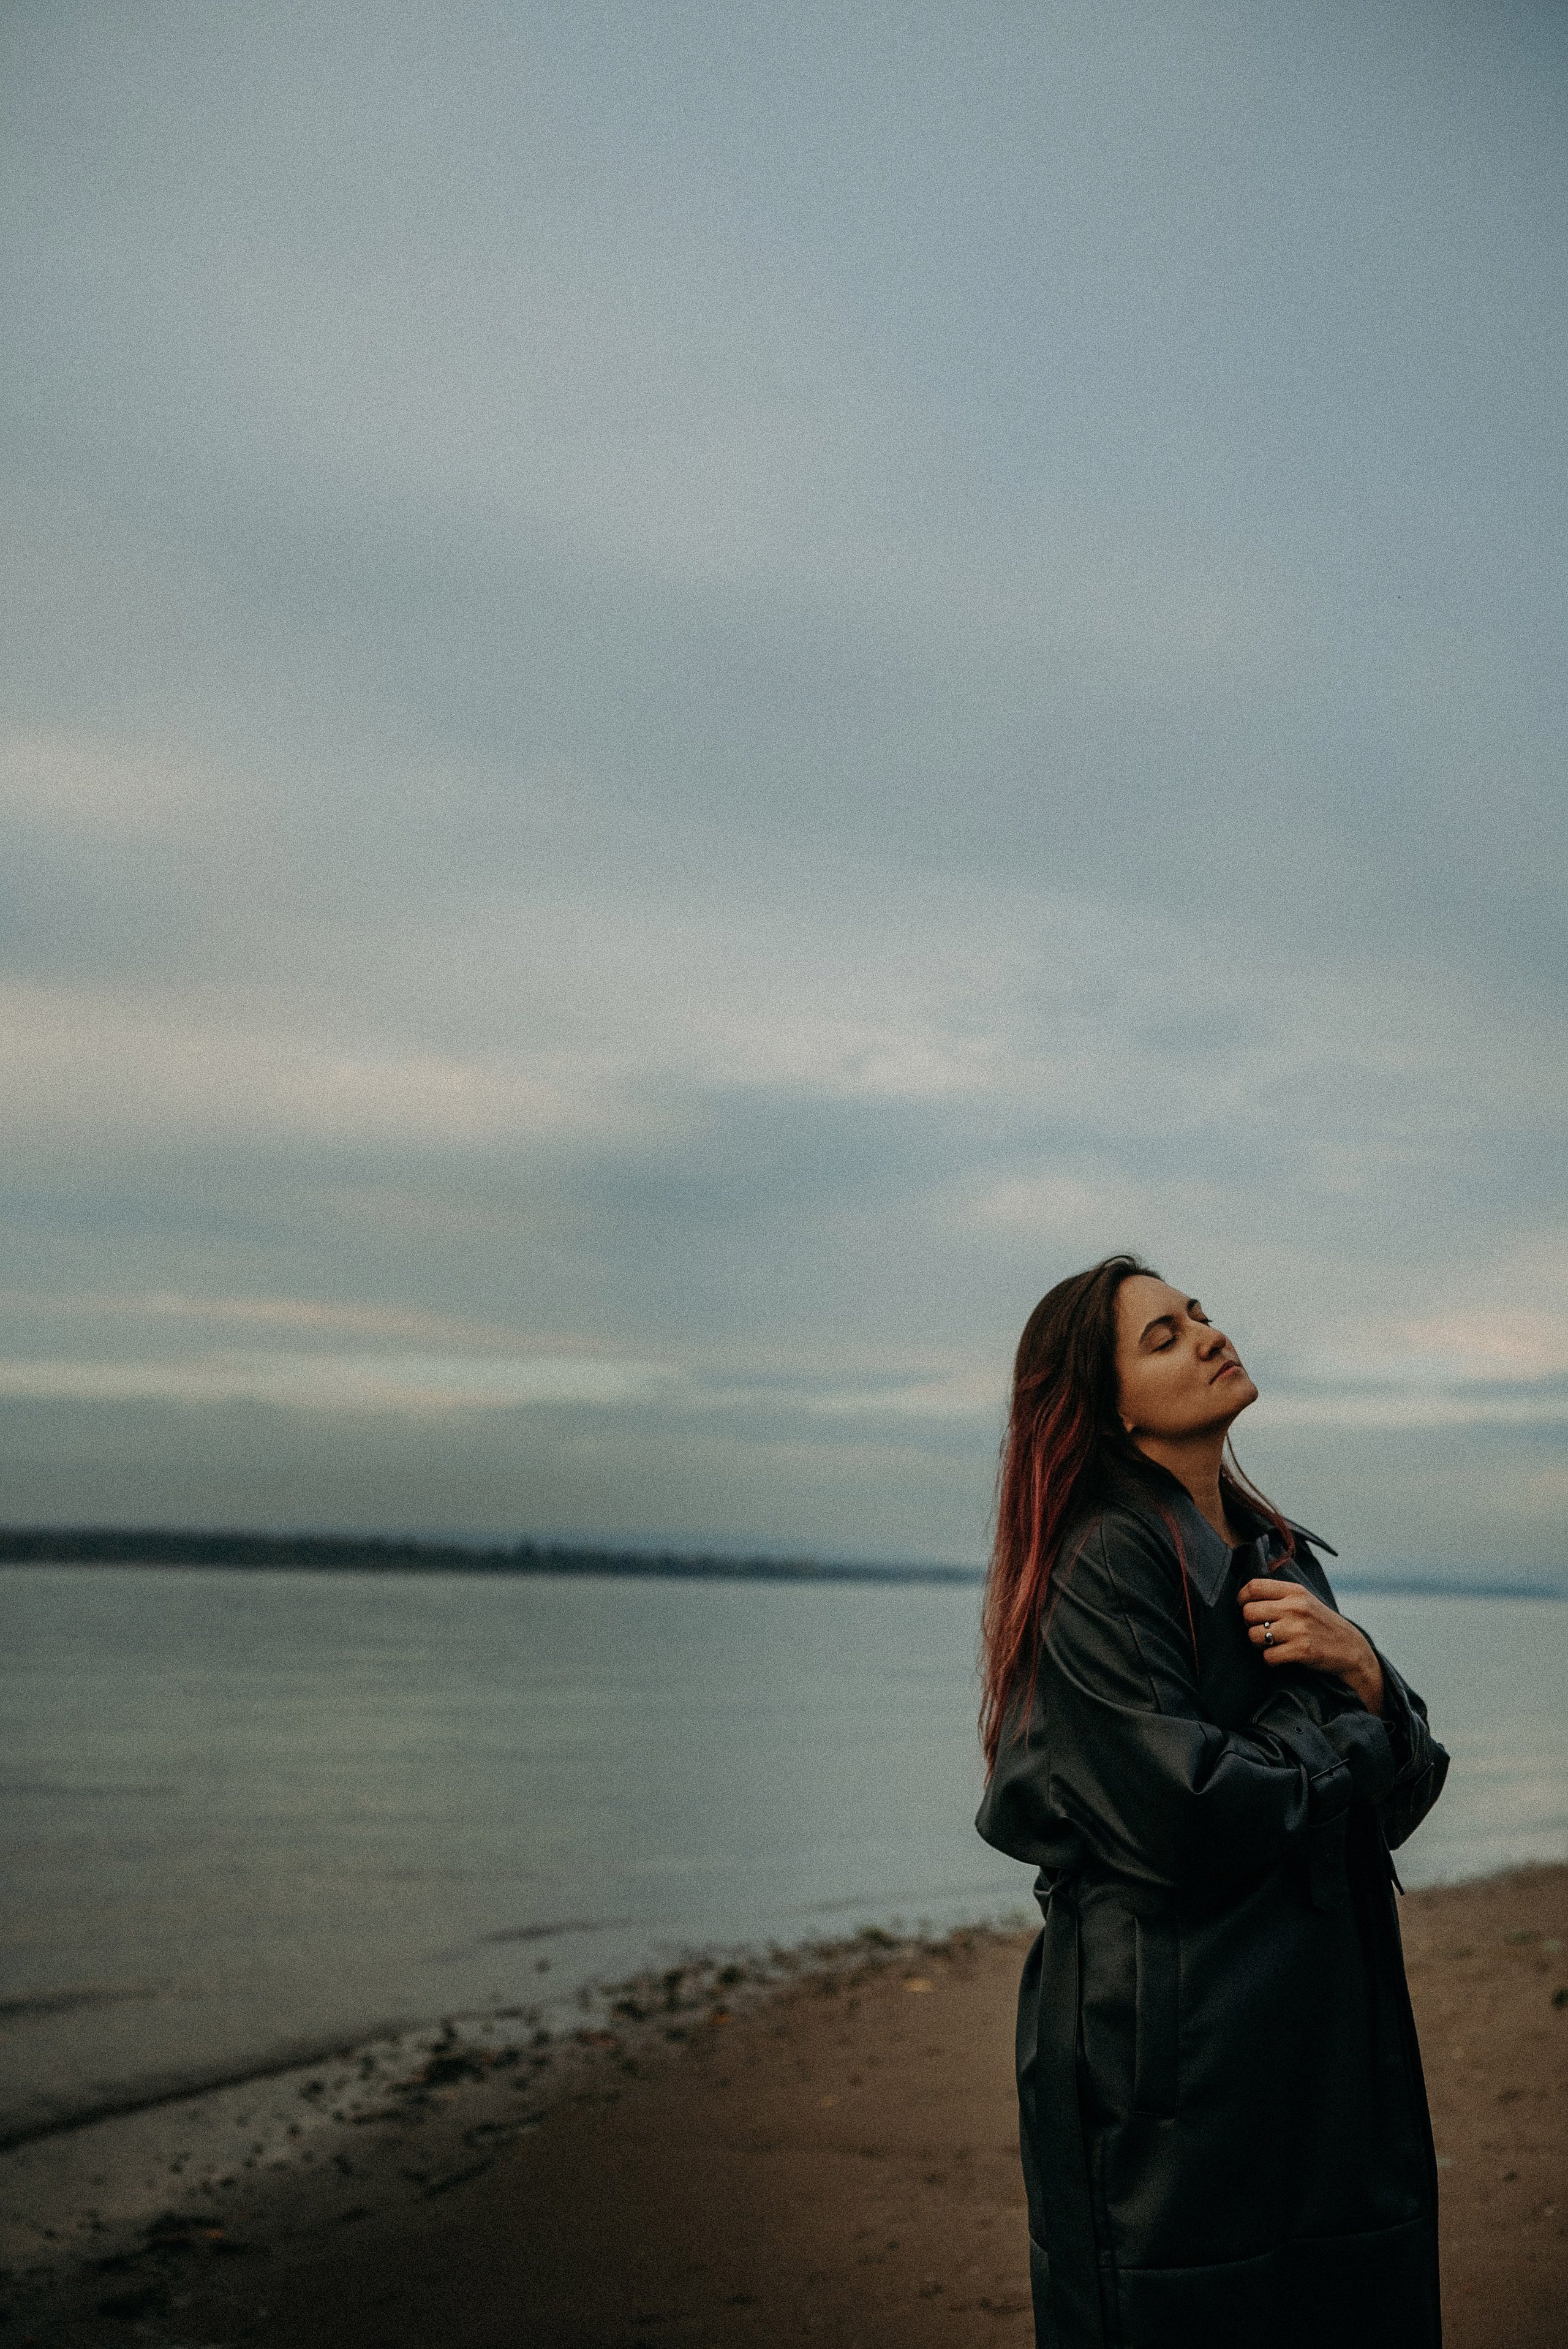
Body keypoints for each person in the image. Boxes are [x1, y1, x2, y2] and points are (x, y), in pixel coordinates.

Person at [975, 1255, 1448, 2349]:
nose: (1204, 1334)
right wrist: (1346, 1732)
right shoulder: (1100, 1561)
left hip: (1333, 2052)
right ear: (1111, 1412)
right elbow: (1183, 1811)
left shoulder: (1277, 1551)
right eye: (1162, 1337)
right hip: (1177, 2068)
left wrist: (1368, 1678)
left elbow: (1400, 1794)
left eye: (1198, 1315)